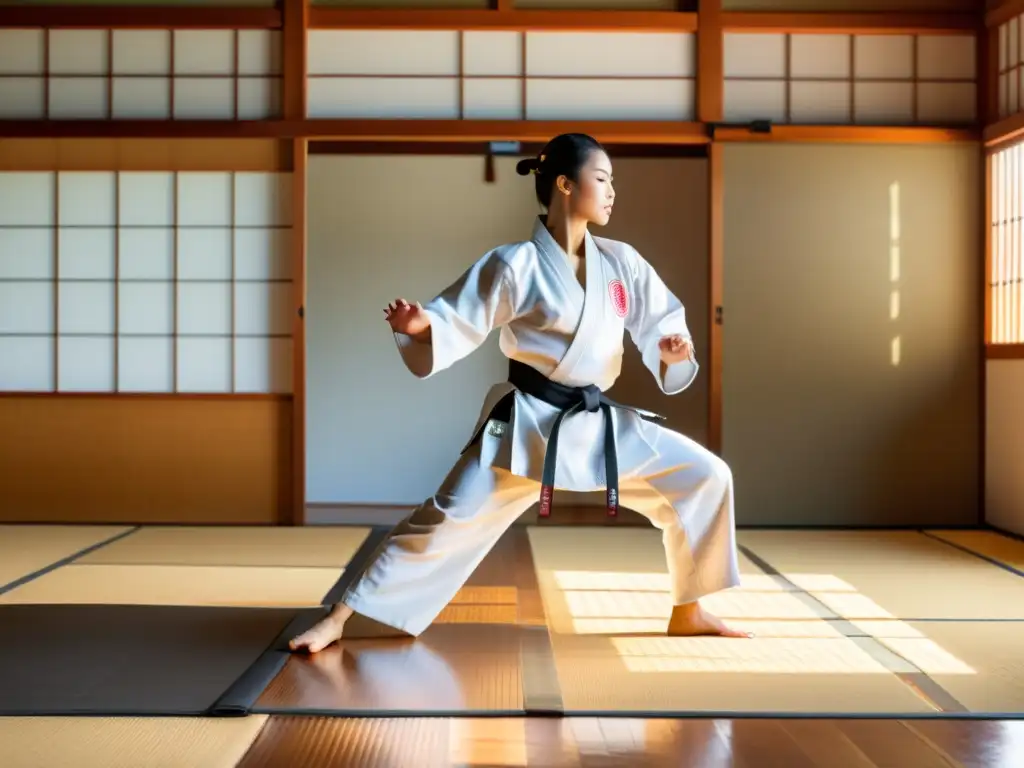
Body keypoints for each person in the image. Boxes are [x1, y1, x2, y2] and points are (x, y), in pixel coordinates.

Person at [291, 133, 748, 654]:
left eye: (613, 182)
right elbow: (457, 317)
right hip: (529, 425)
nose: (612, 191)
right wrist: (422, 327)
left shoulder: (622, 263)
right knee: (444, 518)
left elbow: (661, 324)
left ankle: (689, 610)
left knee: (707, 475)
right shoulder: (516, 264)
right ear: (563, 184)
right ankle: (340, 617)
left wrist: (670, 350)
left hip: (599, 422)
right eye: (602, 180)